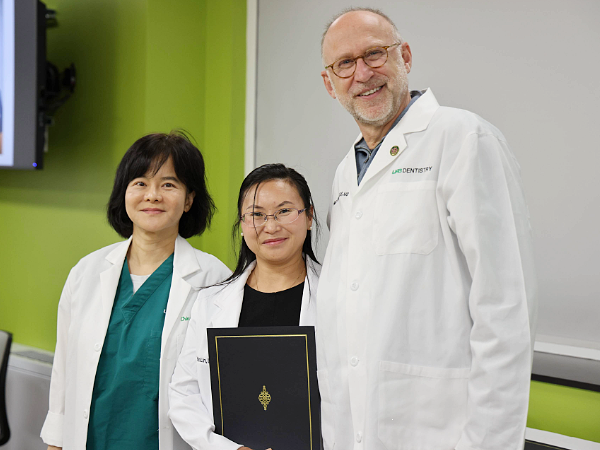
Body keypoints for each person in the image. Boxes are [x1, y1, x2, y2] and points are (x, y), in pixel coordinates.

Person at [317, 8, 537, 450]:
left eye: (375, 54)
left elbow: (506, 309)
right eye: (345, 63)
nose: (362, 73)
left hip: (442, 432)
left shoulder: (463, 138)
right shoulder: (346, 172)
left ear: (406, 57)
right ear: (330, 84)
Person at [40, 131, 231, 450]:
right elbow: (65, 368)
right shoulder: (86, 272)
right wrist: (56, 442)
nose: (152, 195)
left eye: (168, 184)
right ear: (124, 193)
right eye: (140, 183)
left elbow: (224, 386)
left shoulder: (214, 279)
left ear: (189, 199)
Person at [168, 163, 319, 450]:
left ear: (309, 216)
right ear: (241, 225)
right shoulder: (211, 303)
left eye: (285, 211)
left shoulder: (336, 298)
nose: (271, 226)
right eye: (256, 215)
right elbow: (183, 394)